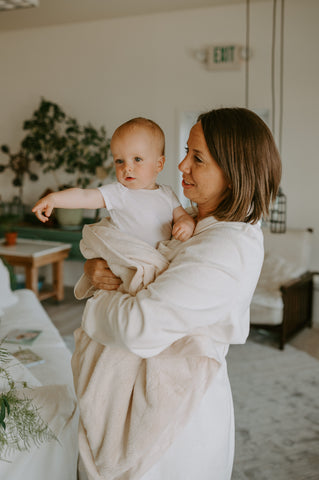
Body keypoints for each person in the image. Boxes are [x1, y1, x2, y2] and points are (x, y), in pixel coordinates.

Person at [73, 107, 282, 480]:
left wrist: (99, 302)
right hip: (134, 391)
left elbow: (139, 326)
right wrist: (97, 268)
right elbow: (128, 246)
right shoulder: (186, 219)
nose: (181, 165)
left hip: (174, 416)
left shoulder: (227, 248)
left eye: (197, 158)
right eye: (186, 151)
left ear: (233, 175)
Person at [32, 117, 195, 247]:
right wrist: (54, 199)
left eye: (137, 159)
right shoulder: (118, 192)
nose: (127, 168)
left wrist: (185, 225)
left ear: (159, 164)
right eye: (119, 161)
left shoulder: (167, 193)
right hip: (131, 258)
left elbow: (183, 216)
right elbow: (84, 196)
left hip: (159, 257)